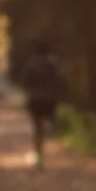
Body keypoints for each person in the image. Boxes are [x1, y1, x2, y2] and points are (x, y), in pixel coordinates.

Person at [17, 40, 67, 169]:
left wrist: (30, 90)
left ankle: (39, 155)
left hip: (35, 99)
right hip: (51, 99)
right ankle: (49, 128)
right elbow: (61, 80)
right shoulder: (53, 63)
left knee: (37, 127)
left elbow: (24, 82)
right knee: (49, 120)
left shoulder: (31, 64)